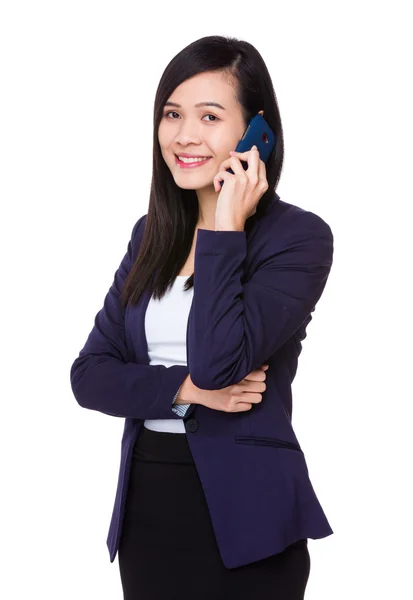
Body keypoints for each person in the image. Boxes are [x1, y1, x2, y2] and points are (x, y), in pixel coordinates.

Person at [70, 35, 334, 600]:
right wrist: (186, 389)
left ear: (255, 132)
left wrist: (224, 229)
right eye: (172, 114)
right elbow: (89, 375)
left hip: (249, 517)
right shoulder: (151, 235)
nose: (184, 135)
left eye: (209, 116)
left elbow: (219, 362)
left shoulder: (299, 238)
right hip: (150, 507)